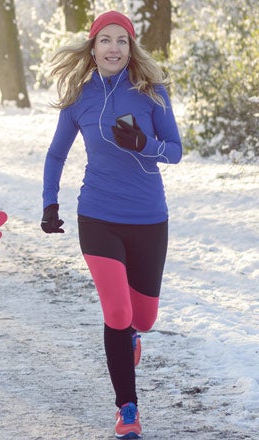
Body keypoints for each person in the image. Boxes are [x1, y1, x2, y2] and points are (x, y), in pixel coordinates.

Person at [40, 10, 183, 440]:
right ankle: (127, 409)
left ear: (131, 46)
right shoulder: (79, 97)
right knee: (117, 312)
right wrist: (50, 204)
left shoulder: (151, 93)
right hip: (98, 215)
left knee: (144, 317)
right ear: (93, 46)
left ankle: (132, 337)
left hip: (148, 218)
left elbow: (175, 151)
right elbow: (55, 155)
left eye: (122, 40)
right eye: (106, 40)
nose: (114, 48)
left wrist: (145, 144)